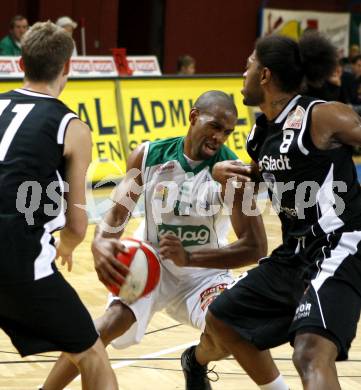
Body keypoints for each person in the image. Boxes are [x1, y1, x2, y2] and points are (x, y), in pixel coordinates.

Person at [41, 90, 267, 389]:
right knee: (104, 327)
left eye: (227, 132)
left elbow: (252, 248)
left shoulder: (231, 173)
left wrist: (189, 259)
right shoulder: (148, 155)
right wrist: (101, 243)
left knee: (233, 332)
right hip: (151, 267)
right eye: (214, 126)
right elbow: (116, 216)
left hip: (203, 275)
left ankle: (195, 361)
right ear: (193, 116)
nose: (219, 137)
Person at [180, 32, 361, 390]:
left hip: (341, 247)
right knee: (220, 320)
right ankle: (195, 361)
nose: (242, 73)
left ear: (264, 75)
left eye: (247, 65)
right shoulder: (259, 136)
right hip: (293, 255)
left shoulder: (321, 115)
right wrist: (236, 175)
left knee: (309, 353)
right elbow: (275, 175)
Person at [0, 21, 119, 389]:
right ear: (68, 67)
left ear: (21, 64)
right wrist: (66, 244)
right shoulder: (72, 127)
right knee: (91, 354)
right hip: (17, 258)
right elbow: (78, 223)